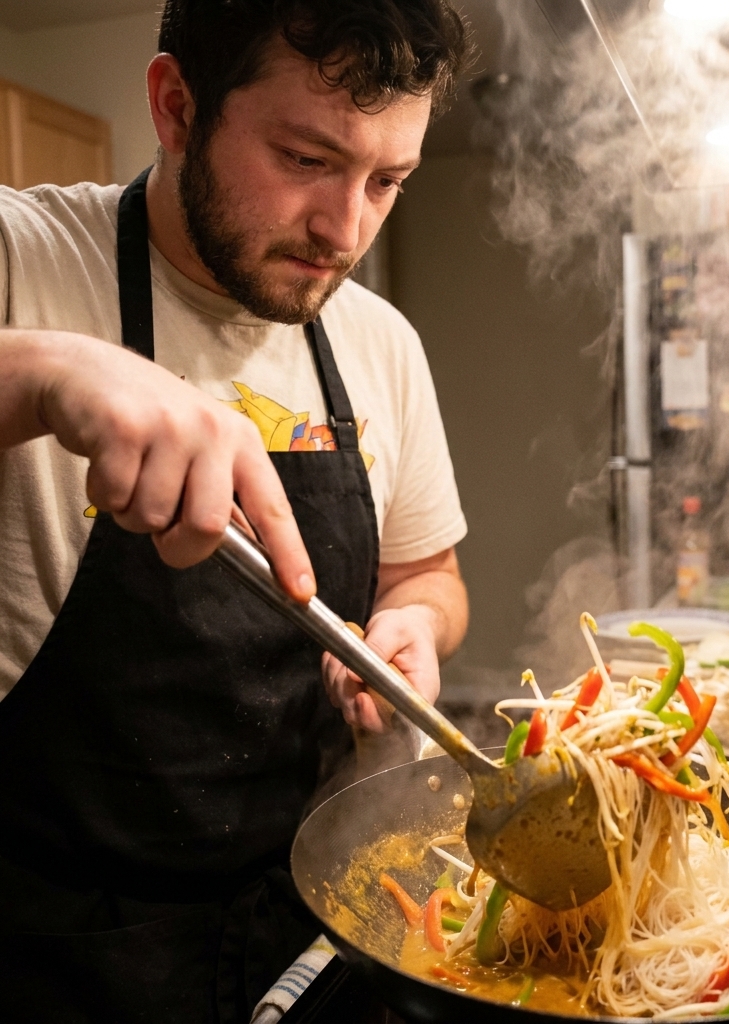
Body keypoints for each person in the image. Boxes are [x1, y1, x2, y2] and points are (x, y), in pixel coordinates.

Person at [0, 1, 470, 1021]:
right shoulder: (25, 258)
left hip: (318, 929)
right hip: (66, 955)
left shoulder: (379, 342)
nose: (346, 229)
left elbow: (427, 575)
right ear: (176, 107)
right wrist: (41, 368)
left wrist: (415, 626)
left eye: (387, 182)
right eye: (307, 157)